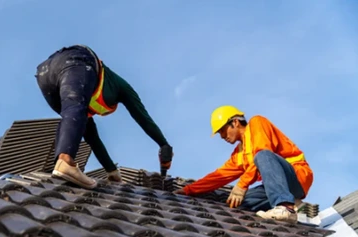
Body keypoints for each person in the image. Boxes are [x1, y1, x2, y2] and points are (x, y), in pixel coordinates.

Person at [35, 44, 173, 189]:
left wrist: (111, 171)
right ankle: (65, 161)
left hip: (45, 74)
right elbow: (143, 118)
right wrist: (164, 144)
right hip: (77, 59)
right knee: (76, 110)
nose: (94, 113)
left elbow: (93, 138)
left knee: (73, 120)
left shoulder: (84, 101)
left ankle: (59, 167)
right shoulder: (121, 87)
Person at [173, 105, 313, 224]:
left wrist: (241, 185)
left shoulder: (257, 123)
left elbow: (263, 152)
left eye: (222, 130)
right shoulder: (239, 154)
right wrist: (188, 190)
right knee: (239, 203)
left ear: (235, 122)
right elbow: (218, 176)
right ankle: (290, 203)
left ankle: (286, 207)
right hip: (276, 186)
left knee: (262, 155)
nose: (222, 136)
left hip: (296, 176)